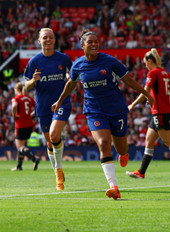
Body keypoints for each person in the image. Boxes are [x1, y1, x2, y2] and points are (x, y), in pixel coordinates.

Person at [52, 30, 154, 200]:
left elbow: (128, 80)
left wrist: (146, 94)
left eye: (96, 41)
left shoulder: (110, 61)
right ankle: (113, 186)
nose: (94, 44)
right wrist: (60, 100)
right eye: (90, 42)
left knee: (122, 148)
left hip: (116, 109)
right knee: (104, 143)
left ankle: (123, 154)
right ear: (82, 45)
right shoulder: (78, 65)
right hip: (94, 110)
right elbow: (71, 84)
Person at [126, 48, 170, 180]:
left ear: (150, 61)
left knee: (169, 141)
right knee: (149, 141)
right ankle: (141, 172)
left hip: (160, 111)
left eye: (146, 63)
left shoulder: (153, 73)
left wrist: (133, 105)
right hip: (163, 111)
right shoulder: (165, 73)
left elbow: (145, 92)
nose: (145, 65)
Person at [24, 28, 72, 190]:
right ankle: (57, 171)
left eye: (51, 37)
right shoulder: (34, 62)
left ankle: (58, 171)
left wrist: (68, 77)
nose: (48, 40)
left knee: (54, 134)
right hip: (43, 107)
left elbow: (73, 76)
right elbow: (26, 86)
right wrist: (33, 80)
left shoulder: (63, 58)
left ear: (54, 39)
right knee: (50, 142)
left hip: (61, 103)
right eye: (45, 38)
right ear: (39, 41)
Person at [10, 82, 40, 171]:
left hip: (20, 125)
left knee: (19, 146)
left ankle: (34, 159)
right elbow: (37, 108)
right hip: (29, 125)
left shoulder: (16, 98)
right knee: (22, 145)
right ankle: (19, 166)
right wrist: (30, 114)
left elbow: (14, 106)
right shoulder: (30, 98)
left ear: (17, 90)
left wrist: (14, 115)